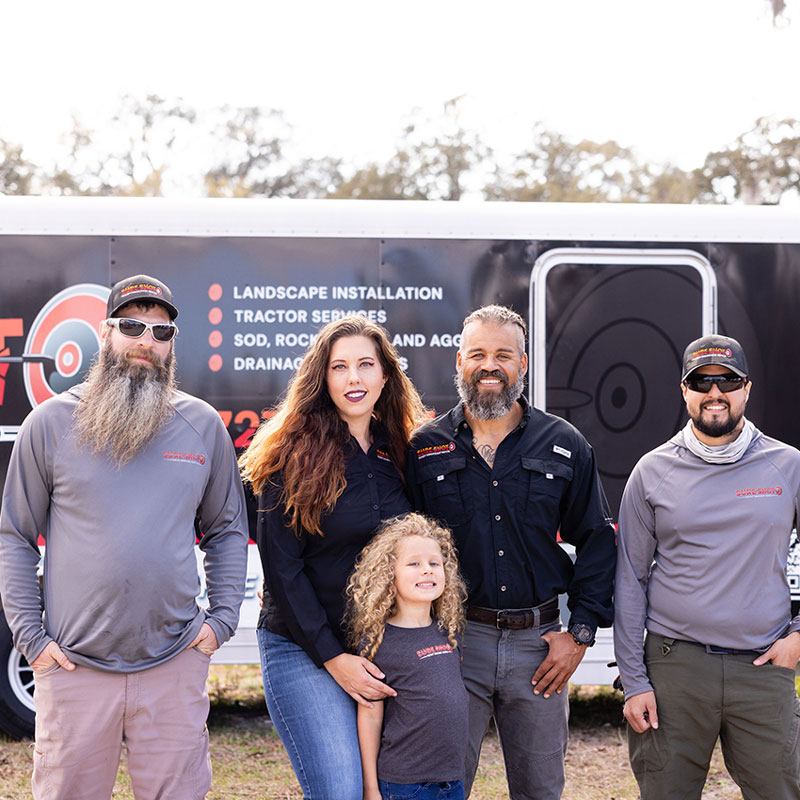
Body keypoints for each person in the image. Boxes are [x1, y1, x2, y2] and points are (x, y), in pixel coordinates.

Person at [0, 274, 248, 800]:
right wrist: (32, 641)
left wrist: (221, 621)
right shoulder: (48, 423)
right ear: (105, 332)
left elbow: (227, 529)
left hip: (174, 664)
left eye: (162, 332)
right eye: (132, 326)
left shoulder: (201, 425)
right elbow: (15, 535)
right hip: (73, 668)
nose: (146, 341)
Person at [407, 304, 616, 800]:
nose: (489, 366)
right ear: (459, 361)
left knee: (540, 789)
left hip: (539, 648)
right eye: (477, 354)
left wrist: (580, 634)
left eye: (503, 355)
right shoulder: (425, 447)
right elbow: (397, 547)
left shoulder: (564, 443)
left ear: (522, 364)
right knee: (441, 784)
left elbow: (597, 540)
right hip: (453, 642)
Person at [238, 314, 427, 800]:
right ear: (322, 377)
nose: (354, 378)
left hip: (383, 647)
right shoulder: (291, 452)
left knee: (392, 787)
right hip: (302, 647)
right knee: (340, 790)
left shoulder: (406, 451)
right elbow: (282, 569)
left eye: (366, 364)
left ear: (386, 375)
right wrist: (333, 657)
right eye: (339, 367)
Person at [614, 333, 800, 799]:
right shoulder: (652, 471)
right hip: (675, 667)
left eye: (727, 381)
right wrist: (634, 680)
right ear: (684, 390)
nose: (714, 393)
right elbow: (631, 579)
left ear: (747, 389)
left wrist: (799, 637)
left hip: (763, 668)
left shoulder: (788, 465)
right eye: (701, 382)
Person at [345, 512, 469, 800]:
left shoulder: (448, 633)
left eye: (434, 563)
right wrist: (370, 788)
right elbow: (370, 719)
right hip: (404, 787)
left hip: (452, 782)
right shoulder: (379, 642)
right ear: (389, 575)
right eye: (414, 563)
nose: (427, 570)